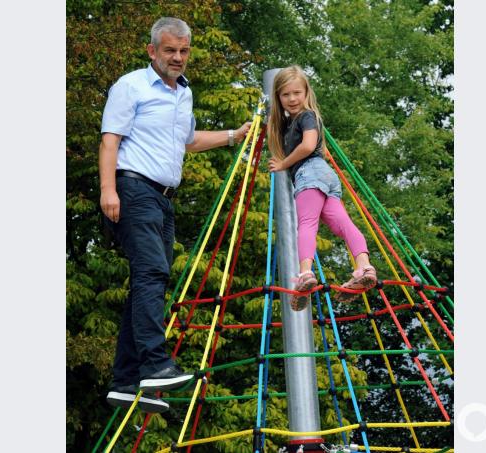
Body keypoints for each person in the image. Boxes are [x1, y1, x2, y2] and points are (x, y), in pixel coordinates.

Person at [98, 17, 252, 413]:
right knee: (152, 272)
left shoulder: (184, 94)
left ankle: (126, 380)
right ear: (153, 51)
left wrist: (235, 135)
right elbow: (110, 139)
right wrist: (108, 190)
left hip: (164, 198)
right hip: (133, 189)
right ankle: (155, 364)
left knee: (148, 281)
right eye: (170, 50)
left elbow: (189, 142)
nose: (178, 58)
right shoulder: (131, 86)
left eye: (184, 51)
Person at [267, 65, 377, 311]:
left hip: (310, 173)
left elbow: (308, 146)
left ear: (306, 93)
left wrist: (283, 163)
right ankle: (364, 267)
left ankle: (305, 274)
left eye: (297, 92)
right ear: (278, 98)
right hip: (326, 176)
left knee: (306, 224)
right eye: (286, 94)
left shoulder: (307, 116)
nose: (293, 99)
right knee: (343, 224)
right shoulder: (293, 122)